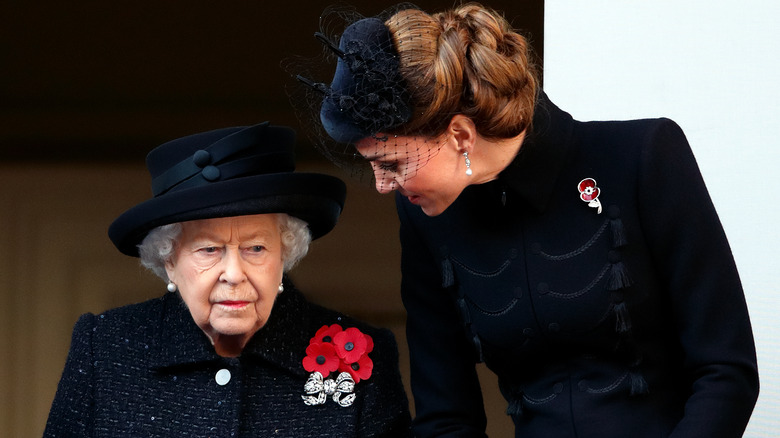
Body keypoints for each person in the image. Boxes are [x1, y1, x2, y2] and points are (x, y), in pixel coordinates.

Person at [290, 3, 759, 437]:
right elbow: (445, 416)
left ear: (459, 133)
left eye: (392, 164)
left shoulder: (643, 157)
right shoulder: (426, 219)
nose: (382, 185)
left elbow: (726, 371)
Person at [43, 122, 412, 437]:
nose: (234, 274)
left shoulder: (364, 355)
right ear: (169, 260)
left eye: (255, 248)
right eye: (208, 250)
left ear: (284, 255)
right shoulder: (105, 350)